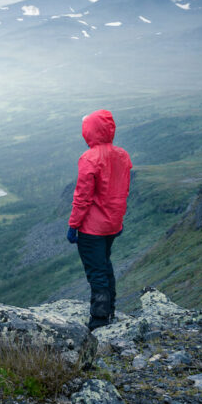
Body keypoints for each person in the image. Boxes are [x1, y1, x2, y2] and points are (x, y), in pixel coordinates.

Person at [66, 109, 132, 331]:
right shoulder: (122, 155)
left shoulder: (89, 158)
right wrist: (117, 220)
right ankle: (109, 309)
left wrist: (73, 225)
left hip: (92, 228)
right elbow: (123, 190)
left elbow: (82, 197)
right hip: (112, 224)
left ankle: (99, 320)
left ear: (90, 131)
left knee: (96, 272)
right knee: (104, 265)